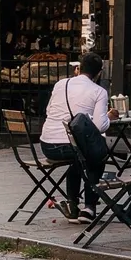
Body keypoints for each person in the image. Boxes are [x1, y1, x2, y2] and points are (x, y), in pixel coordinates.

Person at [39, 53, 111, 223]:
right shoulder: (99, 91)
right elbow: (101, 126)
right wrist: (109, 118)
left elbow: (49, 111)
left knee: (79, 158)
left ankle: (72, 204)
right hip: (70, 146)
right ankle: (89, 208)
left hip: (47, 145)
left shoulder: (60, 84)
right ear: (99, 73)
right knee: (97, 155)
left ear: (78, 68)